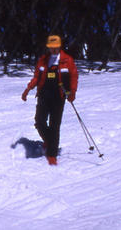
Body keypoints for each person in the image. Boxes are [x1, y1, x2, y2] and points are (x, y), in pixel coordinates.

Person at [21, 35, 78, 166]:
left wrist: (72, 92)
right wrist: (28, 89)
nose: (53, 50)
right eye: (51, 48)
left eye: (55, 48)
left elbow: (74, 77)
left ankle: (52, 154)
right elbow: (37, 77)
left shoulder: (67, 60)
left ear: (59, 47)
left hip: (59, 96)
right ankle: (49, 141)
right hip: (44, 95)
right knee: (39, 121)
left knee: (54, 125)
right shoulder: (43, 60)